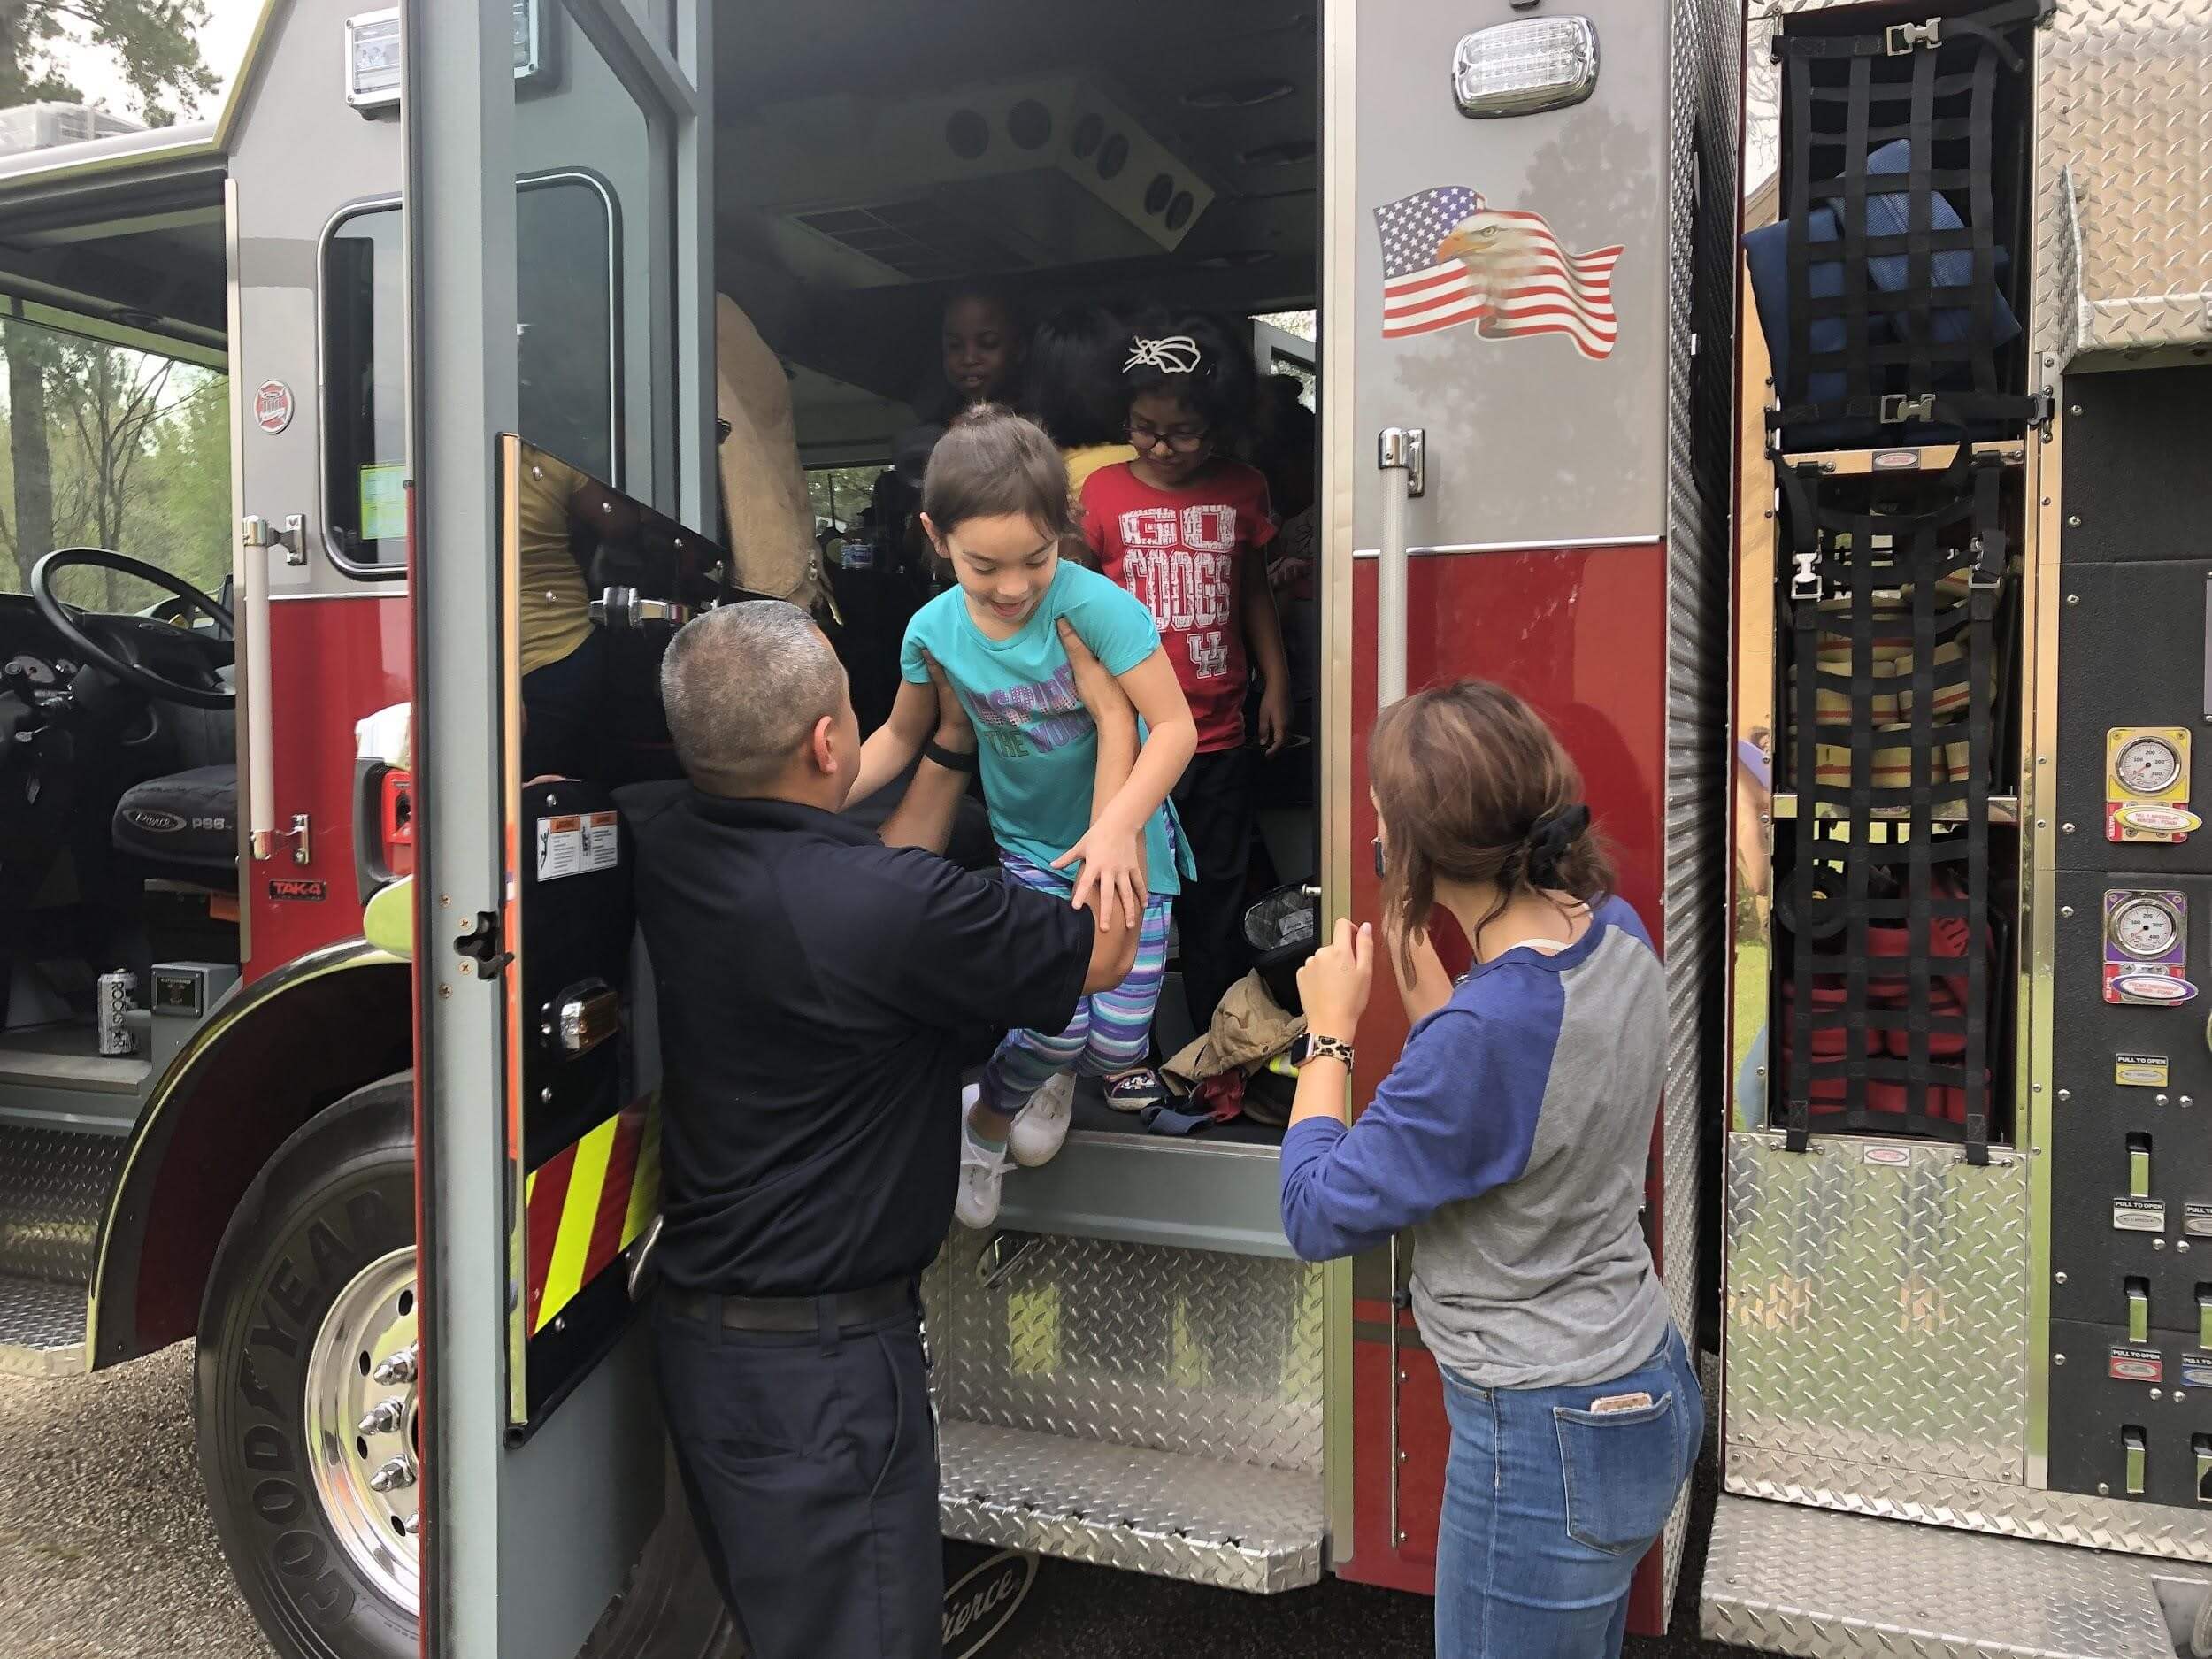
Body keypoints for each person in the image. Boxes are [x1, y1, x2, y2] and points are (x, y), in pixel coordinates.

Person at [623, 599, 1140, 1659]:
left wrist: (947, 740)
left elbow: (864, 878)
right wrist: (1116, 750)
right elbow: (1104, 954)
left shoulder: (665, 838)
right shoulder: (894, 908)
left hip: (716, 1353)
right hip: (823, 1385)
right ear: (827, 742)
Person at [1277, 680, 1701, 1659]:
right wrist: (1444, 1014)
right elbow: (1530, 1112)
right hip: (1639, 1379)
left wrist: (1330, 1034)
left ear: (1413, 851)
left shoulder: (1484, 1033)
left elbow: (1317, 1211)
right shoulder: (1617, 932)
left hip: (1544, 1438)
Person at [847, 405, 1198, 1213]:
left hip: (1134, 845)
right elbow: (901, 736)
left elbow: (1174, 728)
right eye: (984, 566)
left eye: (1035, 561)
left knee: (1116, 1043)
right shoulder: (933, 630)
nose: (1013, 587)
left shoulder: (1096, 607)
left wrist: (1116, 828)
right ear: (936, 536)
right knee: (1057, 1026)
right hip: (1034, 852)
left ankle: (1052, 1077)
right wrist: (815, 796)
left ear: (1062, 532)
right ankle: (991, 1119)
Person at [1081, 312, 1294, 1042]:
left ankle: (1218, 1050)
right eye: (1143, 428)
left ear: (1221, 422)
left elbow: (1255, 591)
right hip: (1127, 744)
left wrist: (1279, 679)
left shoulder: (1245, 487)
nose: (1162, 446)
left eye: (1184, 431)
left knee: (1218, 899)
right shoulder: (1100, 494)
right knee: (1128, 901)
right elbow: (1073, 616)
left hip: (1219, 734)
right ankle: (1118, 1052)